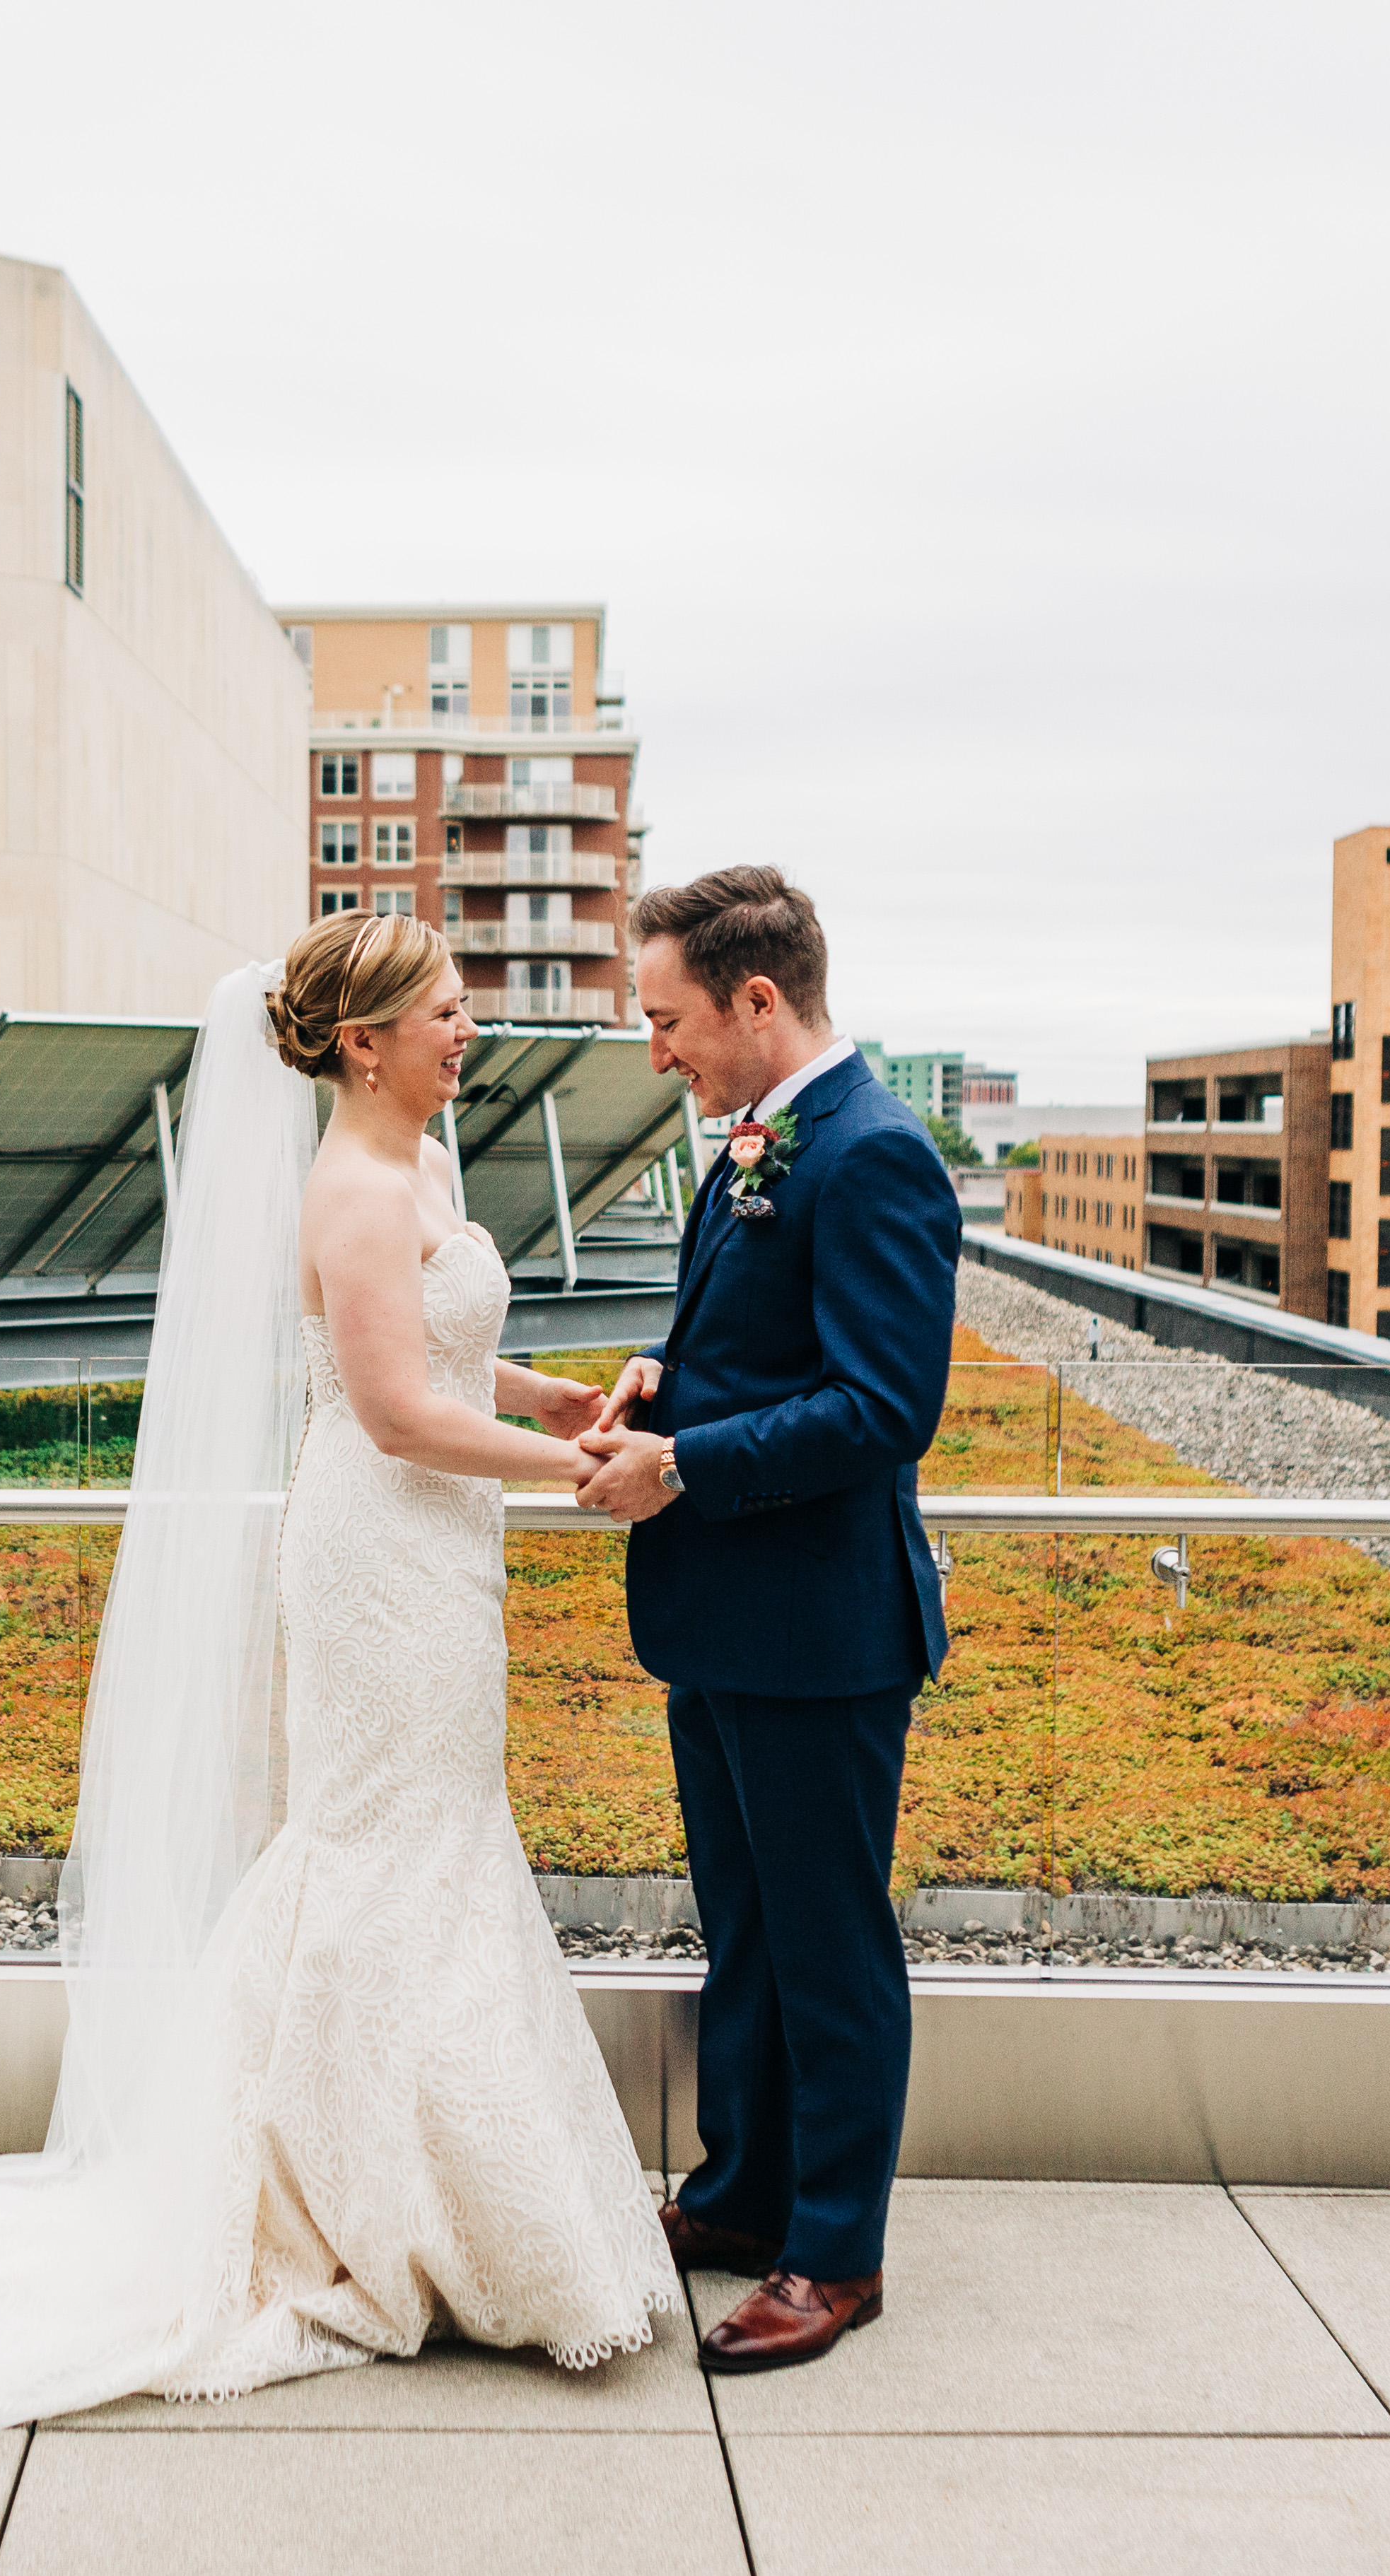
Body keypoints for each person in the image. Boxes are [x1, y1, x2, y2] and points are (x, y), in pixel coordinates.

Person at [0, 914, 676, 2464]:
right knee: (378, 1848)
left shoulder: (427, 1172)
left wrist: (551, 1396)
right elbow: (388, 1409)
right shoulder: (351, 1184)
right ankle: (375, 2196)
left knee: (436, 1839)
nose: (472, 1036)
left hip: (444, 1558)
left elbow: (441, 1348)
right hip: (379, 1551)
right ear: (367, 1042)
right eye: (447, 1016)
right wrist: (581, 1467)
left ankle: (406, 2182)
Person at [572, 864, 958, 2375]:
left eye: (669, 1019)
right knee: (746, 1927)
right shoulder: (760, 1140)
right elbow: (769, 1349)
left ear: (755, 999)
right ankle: (742, 2191)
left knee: (828, 1943)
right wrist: (663, 1387)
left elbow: (882, 1408)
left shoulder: (872, 1154)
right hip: (728, 1617)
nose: (656, 1050)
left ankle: (836, 2251)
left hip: (821, 1632)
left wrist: (687, 1464)